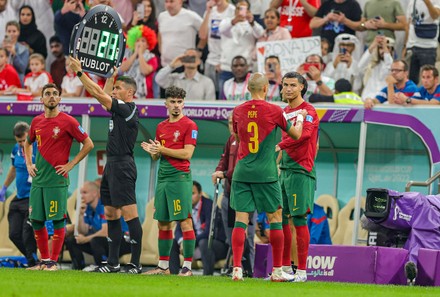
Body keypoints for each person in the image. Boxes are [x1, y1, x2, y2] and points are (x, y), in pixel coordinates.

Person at [69, 56, 144, 274]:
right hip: (111, 166)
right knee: (111, 213)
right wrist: (111, 78)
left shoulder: (129, 108)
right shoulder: (117, 108)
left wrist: (80, 73)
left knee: (130, 214)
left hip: (123, 165)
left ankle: (136, 264)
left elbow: (99, 94)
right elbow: (104, 97)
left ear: (129, 93)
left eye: (119, 88)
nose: (114, 91)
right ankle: (113, 264)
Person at [229, 72, 307, 282]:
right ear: (265, 89)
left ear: (248, 89)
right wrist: (299, 120)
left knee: (241, 219)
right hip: (266, 174)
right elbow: (296, 135)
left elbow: (237, 137)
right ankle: (277, 271)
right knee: (275, 218)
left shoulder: (237, 111)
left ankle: (236, 269)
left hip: (242, 172)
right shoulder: (275, 110)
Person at [24, 83, 94, 271]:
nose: (52, 96)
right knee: (37, 221)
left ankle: (53, 262)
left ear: (60, 99)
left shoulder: (68, 121)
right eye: (47, 94)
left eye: (55, 94)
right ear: (42, 100)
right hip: (38, 181)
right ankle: (44, 261)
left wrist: (71, 164)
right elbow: (27, 143)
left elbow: (88, 144)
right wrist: (29, 164)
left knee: (56, 221)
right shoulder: (36, 122)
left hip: (57, 180)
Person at [141, 85, 198, 276]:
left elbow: (187, 154)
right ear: (165, 103)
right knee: (163, 223)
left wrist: (162, 150)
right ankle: (163, 267)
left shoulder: (190, 125)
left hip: (179, 178)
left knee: (184, 221)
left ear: (184, 103)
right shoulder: (161, 127)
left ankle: (188, 268)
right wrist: (153, 152)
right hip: (162, 178)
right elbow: (158, 157)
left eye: (179, 102)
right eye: (172, 102)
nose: (176, 105)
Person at [276, 71, 319, 282]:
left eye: (293, 85)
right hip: (284, 171)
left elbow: (304, 136)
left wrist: (279, 145)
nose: (288, 89)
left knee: (299, 219)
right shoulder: (283, 111)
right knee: (282, 219)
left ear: (302, 87)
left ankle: (302, 272)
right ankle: (285, 270)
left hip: (301, 171)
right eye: (285, 85)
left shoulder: (309, 111)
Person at [212, 113, 256, 277]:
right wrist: (219, 169)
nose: (231, 126)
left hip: (246, 193)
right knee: (232, 232)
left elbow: (241, 167)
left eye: (234, 123)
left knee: (248, 233)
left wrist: (223, 173)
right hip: (229, 192)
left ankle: (248, 268)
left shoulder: (248, 141)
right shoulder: (230, 140)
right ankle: (235, 265)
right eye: (229, 123)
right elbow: (224, 159)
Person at [65, 181, 131, 271]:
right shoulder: (87, 207)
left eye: (85, 192)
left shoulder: (104, 206)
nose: (82, 196)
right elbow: (83, 231)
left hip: (123, 241)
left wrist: (86, 239)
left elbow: (106, 232)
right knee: (72, 240)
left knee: (95, 240)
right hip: (105, 241)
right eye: (81, 193)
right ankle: (78, 267)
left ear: (95, 193)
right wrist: (80, 215)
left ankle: (102, 266)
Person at [0, 121, 38, 267]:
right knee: (14, 234)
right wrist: (4, 188)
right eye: (19, 141)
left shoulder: (38, 147)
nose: (22, 144)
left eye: (24, 140)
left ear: (30, 134)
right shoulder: (16, 149)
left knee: (27, 233)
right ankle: (32, 260)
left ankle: (33, 262)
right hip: (19, 197)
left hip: (33, 197)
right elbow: (14, 168)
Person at [169, 181, 228, 275]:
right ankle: (173, 274)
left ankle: (207, 276)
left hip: (217, 245)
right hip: (196, 245)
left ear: (200, 193)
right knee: (173, 242)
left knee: (205, 242)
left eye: (193, 193)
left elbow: (209, 232)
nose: (189, 197)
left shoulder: (210, 206)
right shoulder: (184, 207)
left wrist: (189, 243)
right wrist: (181, 241)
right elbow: (178, 230)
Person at [198, 0, 236, 97]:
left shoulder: (233, 11)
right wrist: (208, 12)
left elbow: (236, 39)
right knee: (209, 95)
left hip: (225, 63)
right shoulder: (210, 11)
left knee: (222, 96)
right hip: (211, 60)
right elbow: (202, 35)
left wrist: (225, 60)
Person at [404, 0, 440, 84]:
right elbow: (408, 24)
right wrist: (405, 45)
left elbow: (435, 15)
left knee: (429, 80)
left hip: (428, 47)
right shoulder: (412, 1)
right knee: (410, 80)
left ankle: (429, 97)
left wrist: (427, 2)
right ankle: (411, 97)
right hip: (412, 45)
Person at [121, 25, 158, 99]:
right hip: (126, 94)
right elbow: (122, 68)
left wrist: (140, 54)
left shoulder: (152, 57)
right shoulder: (127, 55)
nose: (139, 43)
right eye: (137, 41)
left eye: (143, 41)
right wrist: (135, 54)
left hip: (145, 96)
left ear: (148, 44)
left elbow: (145, 71)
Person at [359, 35, 395, 100]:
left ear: (392, 50)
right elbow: (360, 66)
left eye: (387, 48)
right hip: (367, 98)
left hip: (384, 101)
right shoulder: (371, 65)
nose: (383, 50)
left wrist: (384, 46)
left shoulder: (395, 66)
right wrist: (373, 45)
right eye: (381, 48)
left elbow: (389, 65)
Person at [3, 20, 30, 85]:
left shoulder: (24, 49)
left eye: (14, 31)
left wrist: (14, 54)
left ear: (18, 32)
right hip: (3, 81)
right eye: (9, 31)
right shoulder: (1, 48)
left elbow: (22, 69)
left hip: (17, 82)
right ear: (6, 32)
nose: (11, 34)